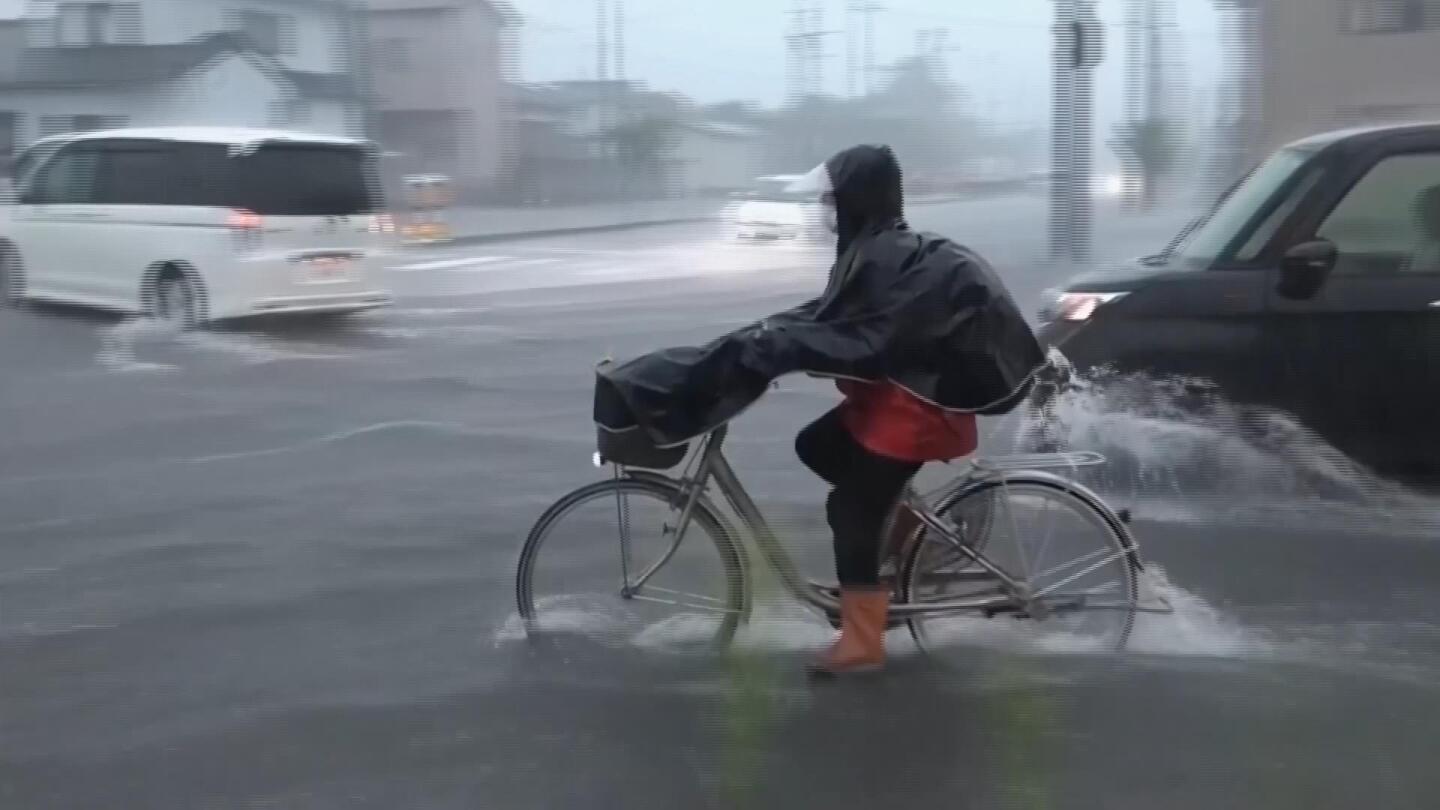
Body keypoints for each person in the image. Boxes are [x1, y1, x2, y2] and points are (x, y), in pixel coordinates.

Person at [783, 145, 1040, 677]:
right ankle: (906, 538)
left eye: (836, 201)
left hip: (918, 409)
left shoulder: (883, 254)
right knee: (816, 445)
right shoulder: (882, 247)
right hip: (905, 399)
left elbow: (863, 337)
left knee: (852, 510)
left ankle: (861, 642)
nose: (831, 212)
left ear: (858, 200)